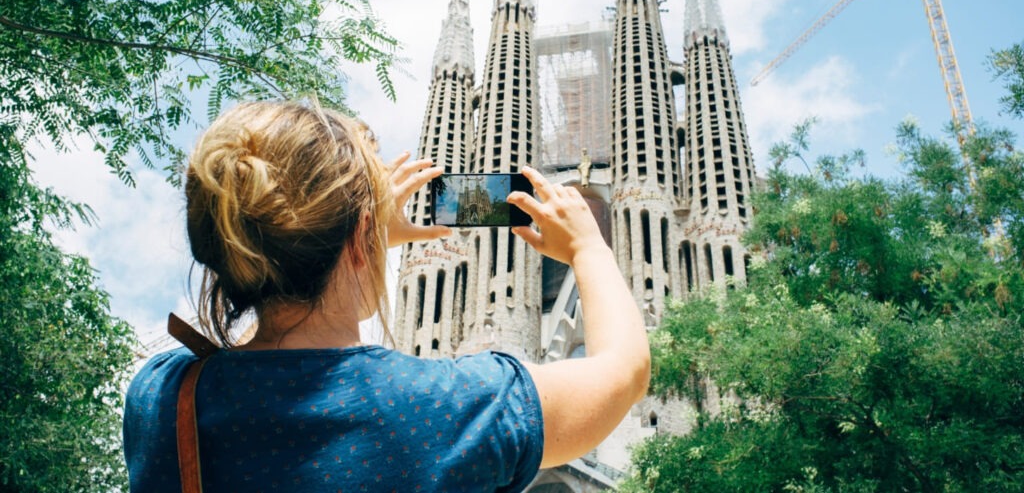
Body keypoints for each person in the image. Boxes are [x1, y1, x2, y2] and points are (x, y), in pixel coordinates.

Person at [123, 101, 650, 492]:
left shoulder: (162, 395)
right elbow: (623, 372)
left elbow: (266, 367)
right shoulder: (446, 408)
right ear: (360, 238)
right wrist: (590, 247)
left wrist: (355, 237)